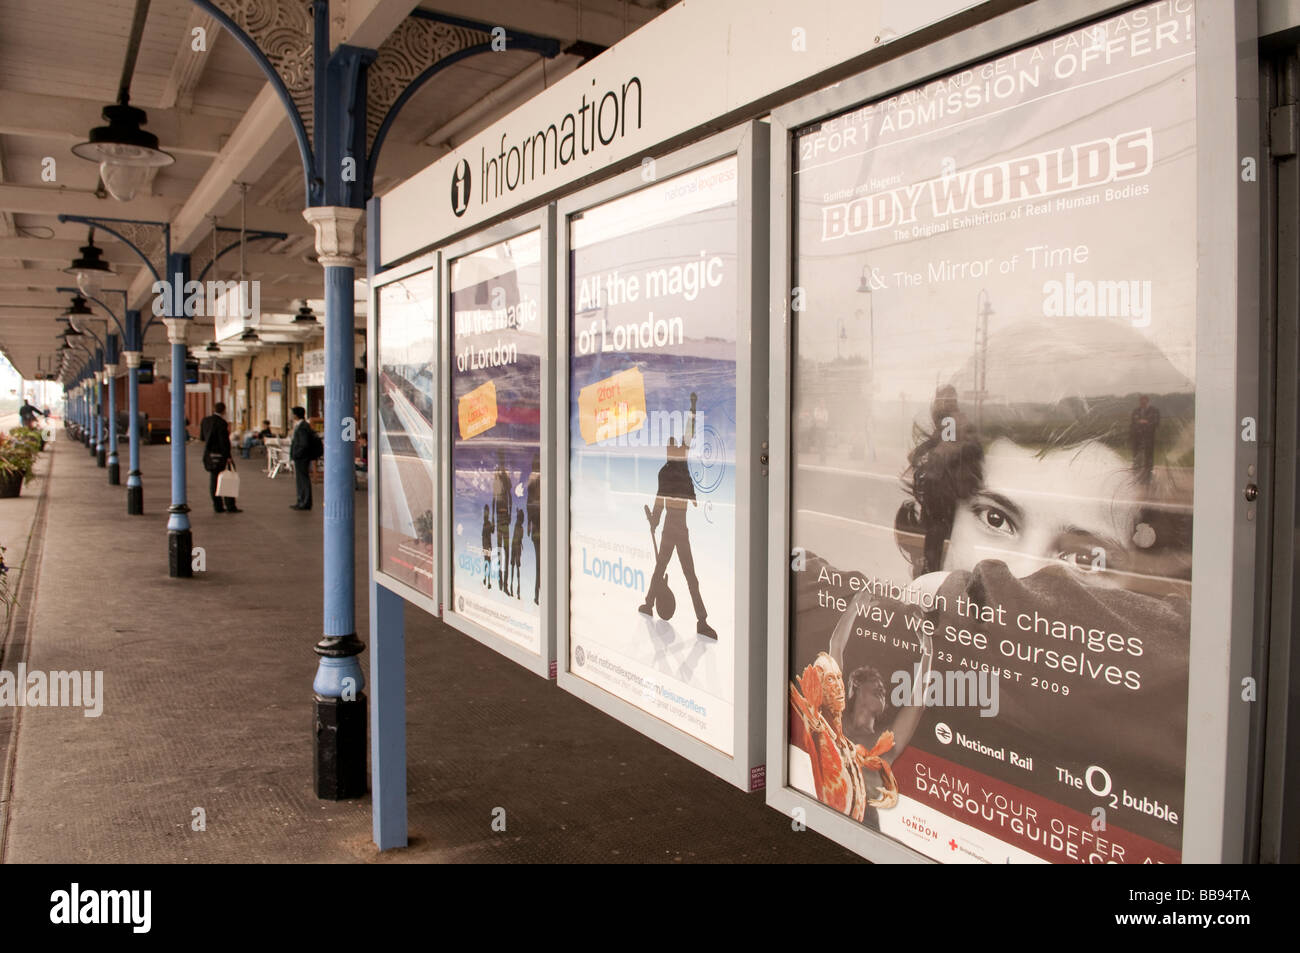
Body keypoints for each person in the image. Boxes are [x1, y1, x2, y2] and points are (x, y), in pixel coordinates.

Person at [639, 392, 715, 638]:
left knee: (666, 569)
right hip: (676, 528)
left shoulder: (672, 467)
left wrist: (693, 407)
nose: (677, 451)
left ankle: (651, 604)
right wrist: (655, 518)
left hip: (675, 529)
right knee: (679, 572)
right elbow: (659, 500)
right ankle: (696, 618)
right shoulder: (671, 469)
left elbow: (659, 501)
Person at [199, 402, 240, 513]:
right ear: (224, 410)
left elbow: (202, 437)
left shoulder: (205, 421)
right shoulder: (222, 423)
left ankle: (217, 506)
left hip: (209, 455)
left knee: (213, 480)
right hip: (221, 455)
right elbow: (224, 442)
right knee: (228, 478)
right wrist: (228, 456)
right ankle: (230, 505)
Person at [492, 449, 512, 593]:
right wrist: (493, 517)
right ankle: (500, 580)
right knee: (500, 549)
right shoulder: (499, 476)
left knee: (504, 548)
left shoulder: (504, 476)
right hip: (500, 516)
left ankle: (504, 582)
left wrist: (509, 512)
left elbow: (508, 496)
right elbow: (495, 497)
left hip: (503, 516)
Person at [1130, 394, 1161, 481]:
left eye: (1144, 401)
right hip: (1137, 438)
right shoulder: (1136, 411)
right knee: (1136, 456)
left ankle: (1148, 476)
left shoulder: (1154, 411)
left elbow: (1156, 423)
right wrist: (1138, 423)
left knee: (1149, 457)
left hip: (1149, 438)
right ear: (1139, 402)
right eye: (1141, 402)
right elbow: (1132, 423)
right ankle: (1136, 475)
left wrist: (1146, 423)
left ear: (1148, 401)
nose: (1142, 403)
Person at [289, 406, 313, 510]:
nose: (291, 415)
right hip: (300, 457)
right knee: (300, 479)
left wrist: (297, 454)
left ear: (295, 415)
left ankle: (305, 502)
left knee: (303, 479)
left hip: (302, 457)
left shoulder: (303, 426)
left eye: (292, 413)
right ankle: (300, 500)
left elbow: (304, 443)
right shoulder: (300, 425)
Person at [527, 452, 541, 604]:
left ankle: (538, 595)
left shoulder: (532, 480)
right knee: (540, 565)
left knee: (539, 565)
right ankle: (538, 595)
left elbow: (529, 504)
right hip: (540, 531)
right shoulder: (536, 480)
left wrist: (529, 526)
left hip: (537, 531)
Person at [509, 508, 525, 600]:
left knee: (514, 568)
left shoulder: (517, 526)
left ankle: (514, 589)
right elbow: (519, 537)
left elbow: (519, 538)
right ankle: (514, 589)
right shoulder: (519, 527)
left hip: (516, 547)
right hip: (516, 548)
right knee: (515, 568)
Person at [480, 505, 493, 589]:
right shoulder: (487, 523)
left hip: (486, 544)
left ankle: (486, 579)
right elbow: (491, 532)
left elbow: (484, 534)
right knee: (488, 562)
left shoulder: (485, 523)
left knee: (487, 562)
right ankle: (488, 581)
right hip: (487, 545)